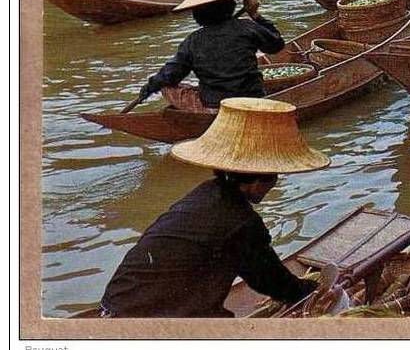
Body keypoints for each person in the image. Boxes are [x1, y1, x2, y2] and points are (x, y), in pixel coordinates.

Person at [99, 98, 331, 317]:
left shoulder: (206, 193)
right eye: (273, 179)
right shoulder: (240, 222)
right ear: (260, 182)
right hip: (148, 323)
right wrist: (315, 289)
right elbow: (272, 282)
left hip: (115, 305)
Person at [138, 0, 286, 111]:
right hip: (253, 98)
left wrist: (149, 88)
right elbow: (276, 44)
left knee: (166, 87)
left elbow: (170, 75)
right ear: (230, 6)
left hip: (215, 105)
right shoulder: (247, 27)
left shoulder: (192, 41)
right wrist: (256, 16)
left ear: (197, 15)